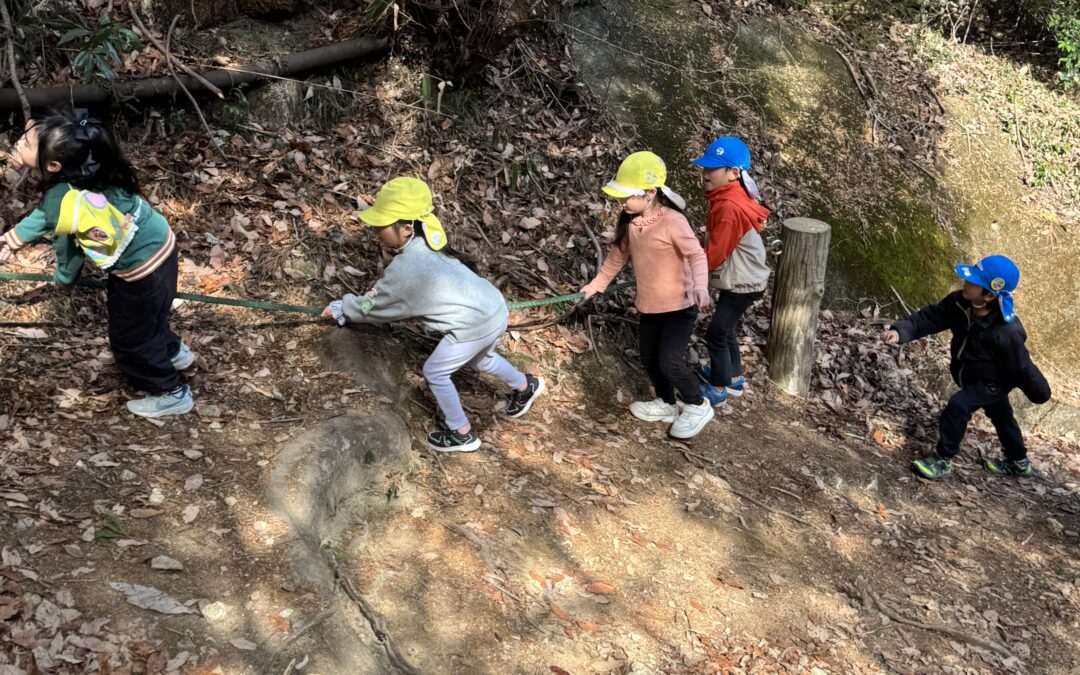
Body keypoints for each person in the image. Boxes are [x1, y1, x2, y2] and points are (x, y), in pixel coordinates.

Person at [322, 177, 544, 453]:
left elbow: (376, 307)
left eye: (381, 224)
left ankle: (461, 433)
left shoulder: (408, 269)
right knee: (482, 358)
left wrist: (343, 308)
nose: (375, 229)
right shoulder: (429, 244)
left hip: (474, 325)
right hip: (493, 309)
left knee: (435, 371)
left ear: (405, 229)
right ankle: (525, 385)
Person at [0, 110, 194, 418]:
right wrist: (12, 239)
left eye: (25, 142)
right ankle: (173, 352)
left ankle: (170, 392)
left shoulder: (63, 199)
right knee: (151, 315)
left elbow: (66, 245)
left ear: (53, 165)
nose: (18, 143)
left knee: (130, 337)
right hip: (162, 247)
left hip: (140, 270)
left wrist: (64, 279)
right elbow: (44, 218)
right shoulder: (94, 166)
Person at [581, 151, 714, 439]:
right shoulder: (630, 221)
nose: (622, 202)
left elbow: (696, 255)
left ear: (650, 193)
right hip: (650, 306)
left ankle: (696, 404)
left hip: (680, 306)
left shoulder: (673, 222)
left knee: (671, 362)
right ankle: (666, 402)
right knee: (650, 359)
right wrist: (597, 284)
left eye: (627, 196)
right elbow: (617, 257)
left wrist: (700, 286)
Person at [882, 255, 1051, 479]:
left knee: (958, 406)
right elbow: (931, 317)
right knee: (1001, 416)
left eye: (973, 284)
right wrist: (901, 331)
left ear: (989, 296)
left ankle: (943, 460)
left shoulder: (1007, 330)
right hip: (971, 376)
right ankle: (1019, 463)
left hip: (993, 383)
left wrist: (1040, 392)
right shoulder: (959, 303)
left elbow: (1021, 365)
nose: (966, 283)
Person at [690, 136, 770, 406]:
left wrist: (692, 270)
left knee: (716, 332)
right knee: (724, 329)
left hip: (743, 283)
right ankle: (733, 377)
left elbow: (716, 253)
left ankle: (718, 387)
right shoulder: (728, 197)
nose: (705, 173)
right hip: (741, 279)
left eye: (712, 168)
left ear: (733, 173)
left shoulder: (728, 207)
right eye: (705, 167)